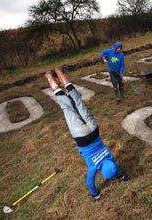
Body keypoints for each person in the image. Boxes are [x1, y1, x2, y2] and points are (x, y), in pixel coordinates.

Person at [45, 68, 129, 202]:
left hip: (94, 131)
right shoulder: (94, 167)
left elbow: (115, 167)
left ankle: (59, 73)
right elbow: (89, 183)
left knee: (78, 102)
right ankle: (50, 78)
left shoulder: (109, 156)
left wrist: (121, 176)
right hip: (82, 137)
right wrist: (95, 195)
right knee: (67, 107)